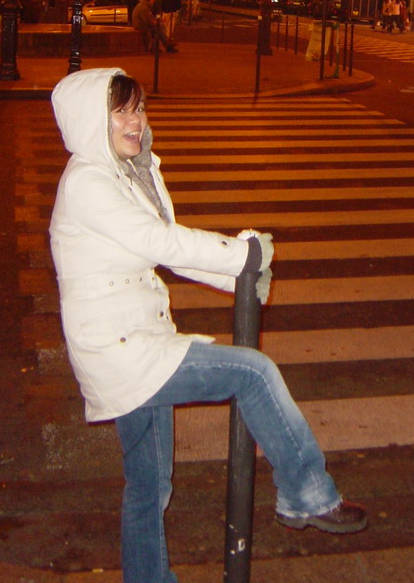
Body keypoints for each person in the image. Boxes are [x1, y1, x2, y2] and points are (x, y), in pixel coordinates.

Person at [49, 69, 367, 583]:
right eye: (122, 112)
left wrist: (239, 275)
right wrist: (245, 253)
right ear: (91, 123)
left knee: (148, 486)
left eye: (140, 108)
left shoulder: (130, 172)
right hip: (122, 350)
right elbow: (163, 244)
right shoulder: (89, 180)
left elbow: (167, 246)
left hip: (131, 342)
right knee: (254, 373)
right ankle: (306, 494)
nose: (137, 120)